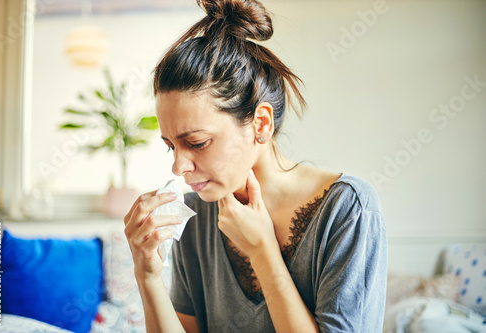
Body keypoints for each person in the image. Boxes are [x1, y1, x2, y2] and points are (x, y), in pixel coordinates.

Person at [124, 0, 388, 332]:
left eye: (197, 142)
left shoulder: (347, 208)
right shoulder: (195, 217)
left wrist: (263, 252)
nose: (178, 167)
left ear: (261, 124)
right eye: (170, 146)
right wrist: (147, 276)